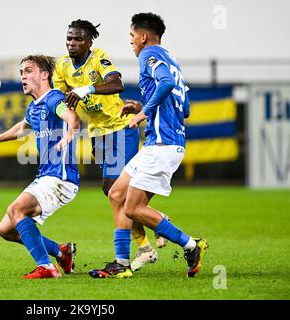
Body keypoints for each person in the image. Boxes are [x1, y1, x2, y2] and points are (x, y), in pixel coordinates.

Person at [89, 13, 208, 278]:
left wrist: (145, 112)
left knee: (133, 209)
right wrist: (142, 107)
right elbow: (183, 108)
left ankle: (191, 245)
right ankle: (120, 263)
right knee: (116, 195)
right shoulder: (171, 60)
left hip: (163, 146)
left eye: (132, 37)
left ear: (142, 37)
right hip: (159, 144)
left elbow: (164, 84)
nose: (131, 42)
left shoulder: (148, 54)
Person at [54, 19, 164, 272]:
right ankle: (148, 237)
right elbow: (61, 98)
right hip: (97, 133)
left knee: (114, 190)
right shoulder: (62, 65)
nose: (72, 43)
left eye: (78, 38)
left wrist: (87, 88)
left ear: (90, 41)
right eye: (69, 38)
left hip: (119, 128)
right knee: (115, 193)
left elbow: (117, 84)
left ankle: (144, 243)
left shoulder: (99, 59)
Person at [0, 55, 81, 279]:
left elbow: (70, 115)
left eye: (29, 71)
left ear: (45, 75)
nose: (23, 75)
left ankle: (47, 267)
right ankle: (60, 252)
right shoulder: (35, 106)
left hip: (60, 178)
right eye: (21, 71)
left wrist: (71, 130)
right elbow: (22, 127)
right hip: (46, 176)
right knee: (6, 230)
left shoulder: (53, 98)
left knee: (16, 210)